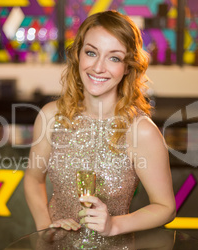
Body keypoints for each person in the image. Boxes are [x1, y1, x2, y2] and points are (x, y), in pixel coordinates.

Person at [24, 10, 176, 237]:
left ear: (127, 67)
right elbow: (33, 179)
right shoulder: (50, 117)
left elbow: (166, 207)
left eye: (114, 57)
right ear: (78, 55)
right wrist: (45, 228)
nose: (98, 67)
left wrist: (114, 225)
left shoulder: (141, 131)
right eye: (91, 53)